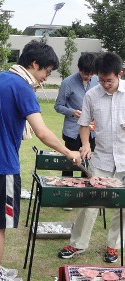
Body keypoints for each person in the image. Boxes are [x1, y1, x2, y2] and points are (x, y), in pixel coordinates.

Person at [0, 40, 81, 281]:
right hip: (3, 167)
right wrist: (68, 152)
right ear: (34, 64)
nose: (45, 77)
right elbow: (42, 133)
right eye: (46, 71)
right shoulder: (23, 88)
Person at [58, 52, 125, 263]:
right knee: (90, 203)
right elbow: (84, 123)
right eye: (102, 80)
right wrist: (86, 144)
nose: (105, 84)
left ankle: (114, 246)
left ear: (120, 75)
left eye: (110, 81)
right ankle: (77, 243)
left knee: (123, 207)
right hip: (102, 157)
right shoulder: (92, 95)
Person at [54, 53, 98, 178]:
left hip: (91, 130)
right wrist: (72, 112)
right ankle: (67, 192)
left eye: (91, 74)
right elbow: (58, 106)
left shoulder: (96, 81)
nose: (87, 77)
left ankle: (84, 194)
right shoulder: (67, 82)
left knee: (88, 164)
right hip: (72, 131)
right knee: (69, 165)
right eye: (85, 73)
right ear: (79, 69)